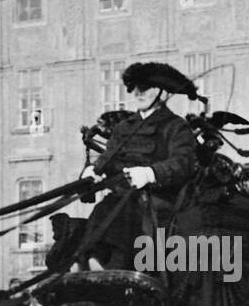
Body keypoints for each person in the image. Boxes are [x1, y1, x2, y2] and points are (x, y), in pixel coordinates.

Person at [77, 62, 199, 272]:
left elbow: (183, 162)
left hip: (158, 201)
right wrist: (94, 171)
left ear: (161, 91)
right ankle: (89, 261)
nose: (139, 93)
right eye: (135, 88)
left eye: (147, 88)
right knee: (105, 208)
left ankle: (111, 268)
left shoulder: (176, 126)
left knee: (123, 209)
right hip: (121, 199)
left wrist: (151, 173)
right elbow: (108, 159)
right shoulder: (123, 128)